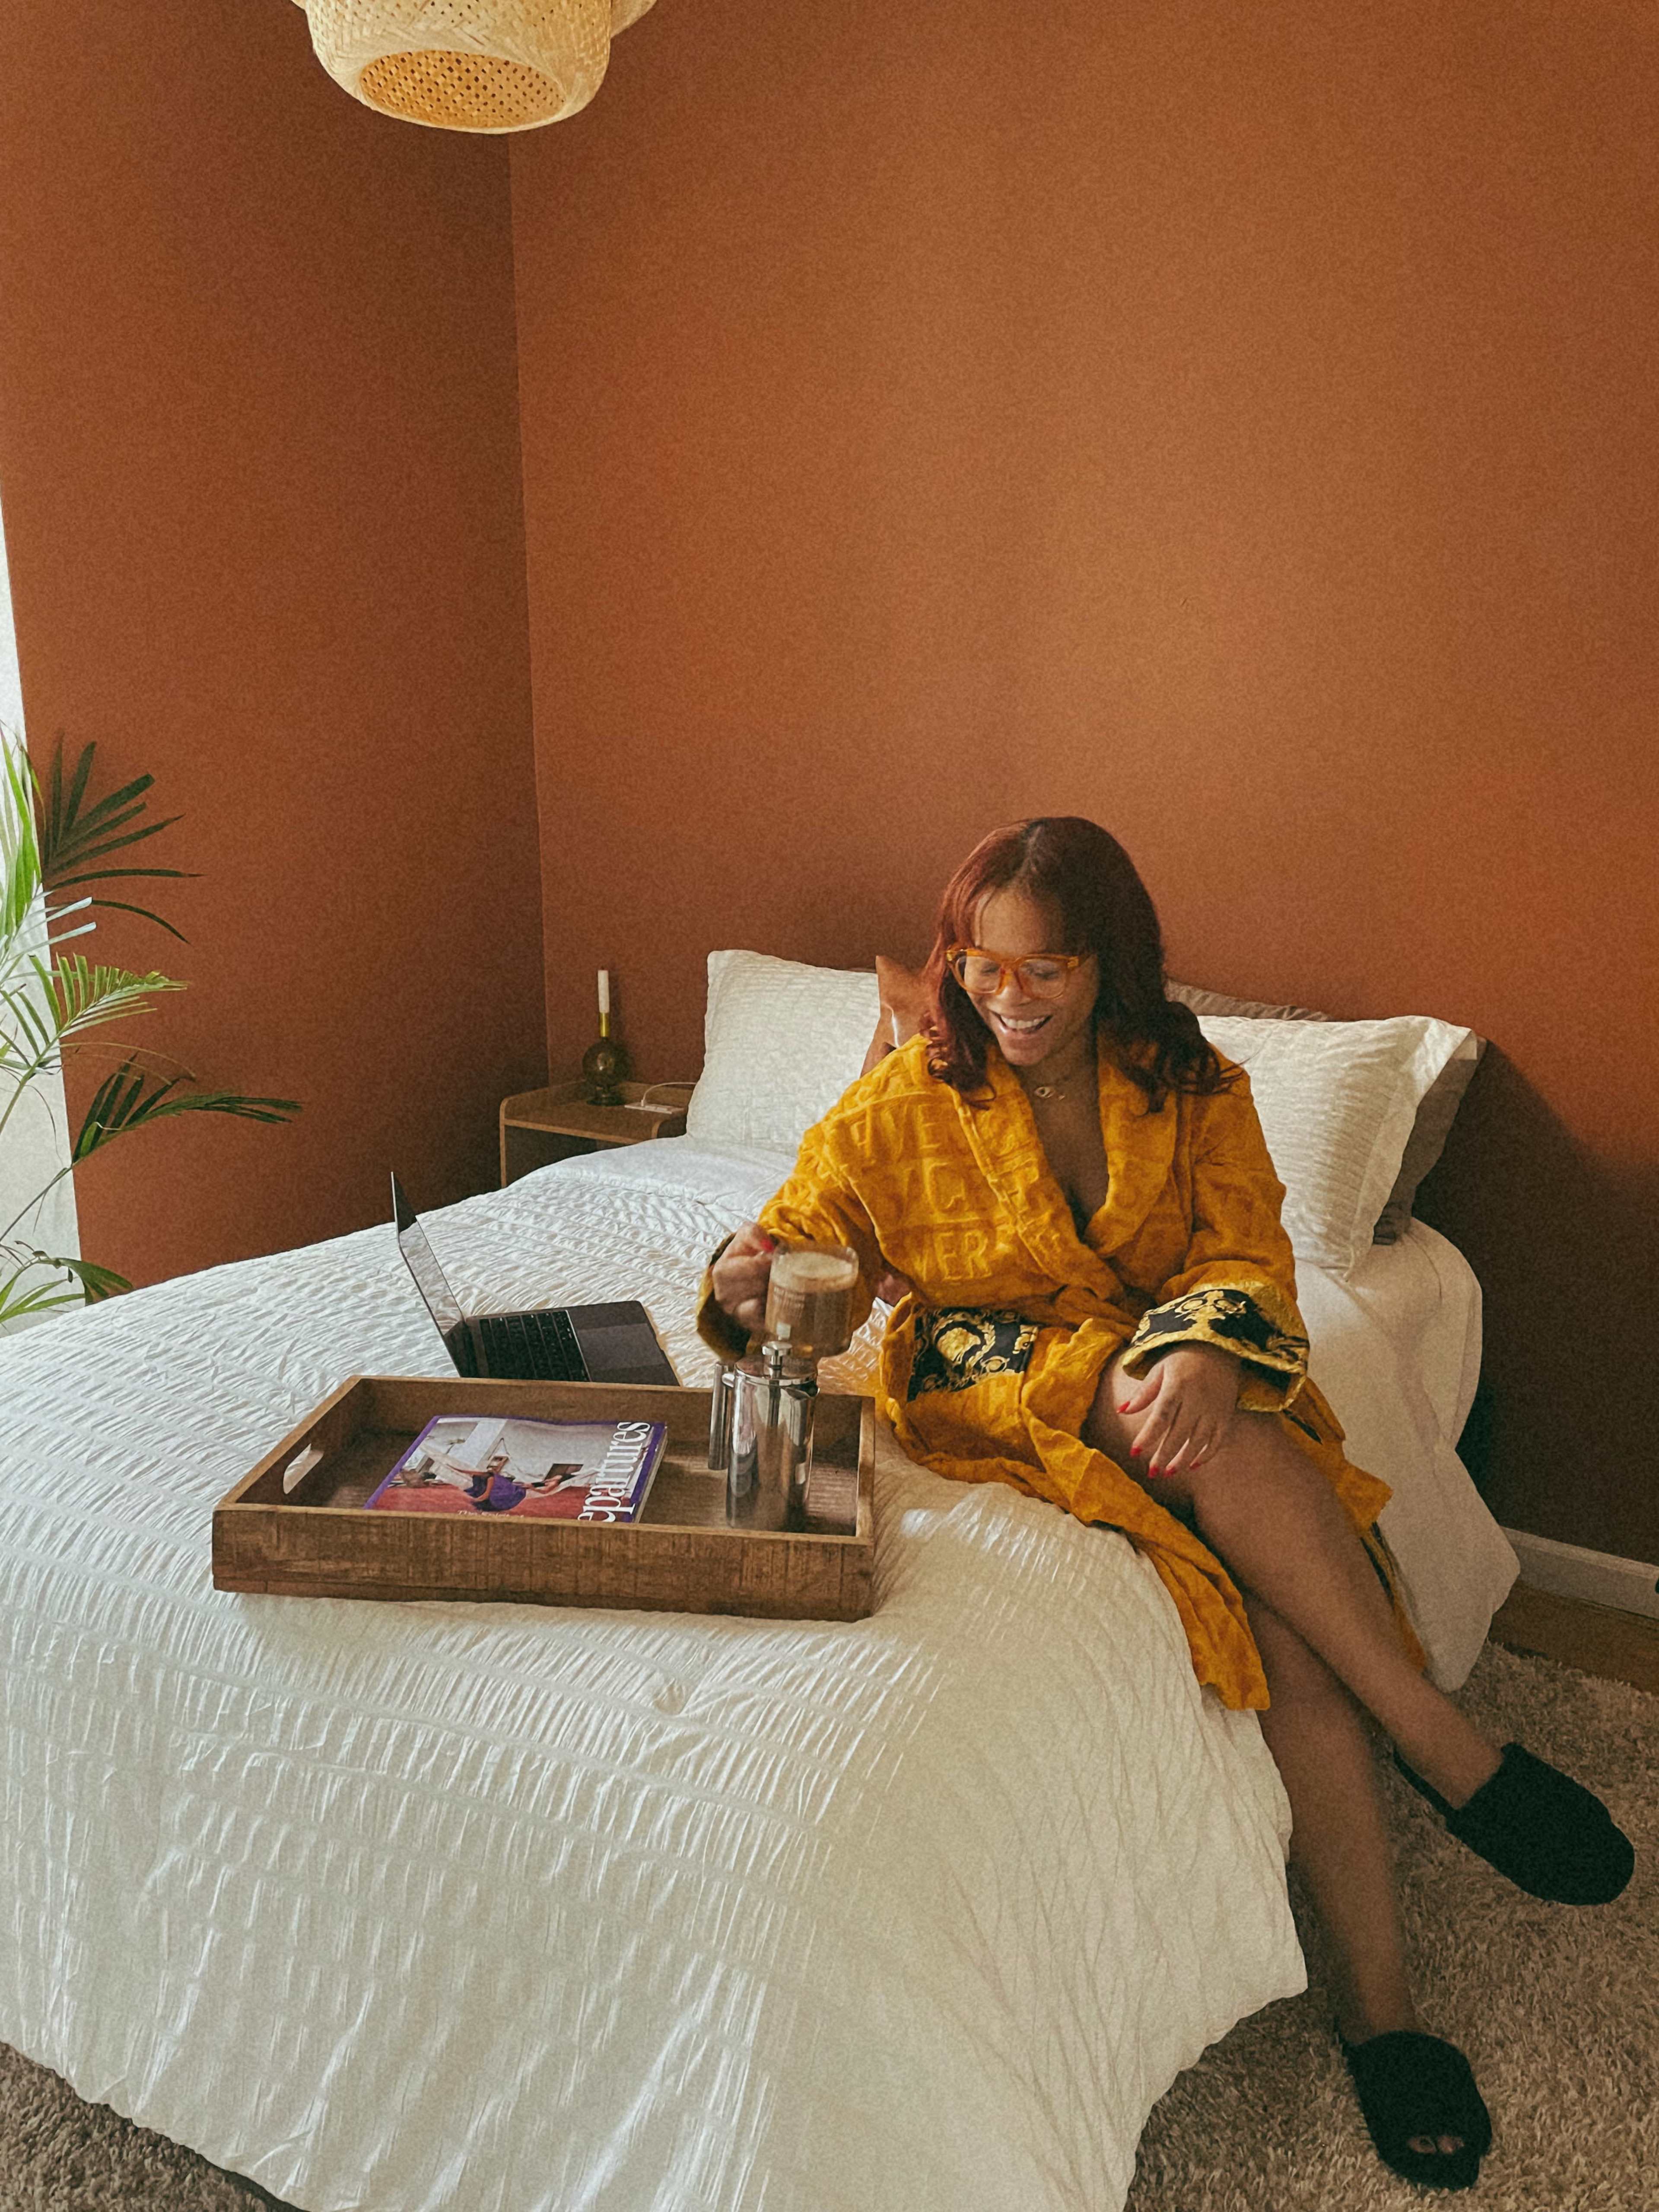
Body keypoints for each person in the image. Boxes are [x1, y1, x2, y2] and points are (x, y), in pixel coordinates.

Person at [699, 814, 1632, 2191]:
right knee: (1164, 1413)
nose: (1008, 1001)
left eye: (1048, 971)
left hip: (1180, 1376)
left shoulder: (1196, 1088)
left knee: (1287, 1616)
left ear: (1108, 966)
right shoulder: (904, 1101)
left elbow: (1254, 1248)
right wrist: (735, 1277)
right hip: (989, 1370)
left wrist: (1202, 1342)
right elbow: (798, 1237)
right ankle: (1444, 1748)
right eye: (983, 966)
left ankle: (1384, 2018)